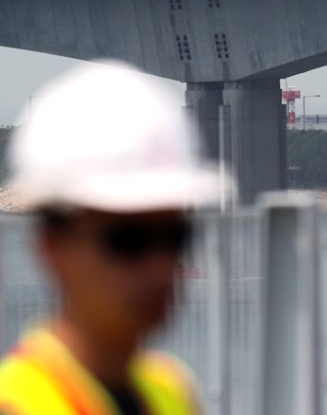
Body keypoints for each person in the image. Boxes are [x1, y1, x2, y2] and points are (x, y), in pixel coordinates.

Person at [0, 61, 222, 414]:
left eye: (175, 236)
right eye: (128, 241)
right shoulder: (17, 403)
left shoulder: (171, 389)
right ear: (53, 247)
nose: (160, 265)